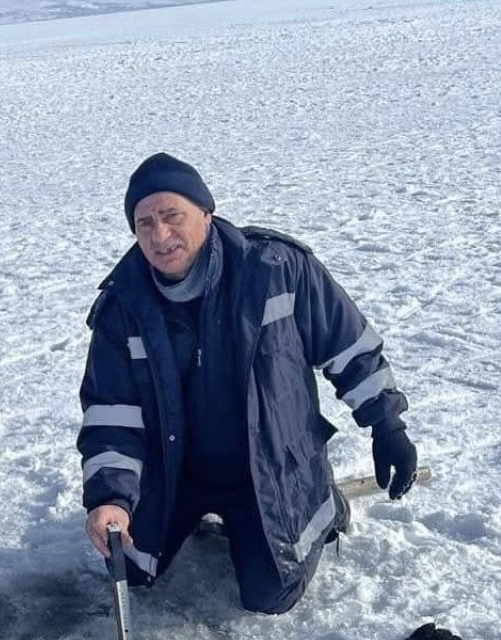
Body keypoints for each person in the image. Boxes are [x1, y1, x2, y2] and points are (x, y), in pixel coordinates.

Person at [78, 153, 420, 613]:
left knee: (271, 595)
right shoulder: (123, 305)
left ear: (206, 212)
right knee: (132, 567)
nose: (160, 236)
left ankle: (324, 501)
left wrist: (387, 426)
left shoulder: (276, 268)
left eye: (172, 216)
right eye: (144, 224)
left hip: (269, 465)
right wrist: (112, 498)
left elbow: (349, 346)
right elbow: (111, 414)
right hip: (176, 469)